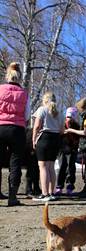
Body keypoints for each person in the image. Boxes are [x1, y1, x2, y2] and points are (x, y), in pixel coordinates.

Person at [0, 62, 29, 206]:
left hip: (0, 127)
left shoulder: (0, 89)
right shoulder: (24, 93)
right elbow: (28, 114)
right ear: (19, 77)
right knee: (15, 163)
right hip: (17, 130)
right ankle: (12, 196)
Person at [32, 92, 63, 201]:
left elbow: (36, 126)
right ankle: (51, 193)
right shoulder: (59, 113)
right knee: (51, 167)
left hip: (44, 138)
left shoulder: (42, 110)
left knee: (43, 167)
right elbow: (62, 130)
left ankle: (44, 194)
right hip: (55, 139)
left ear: (45, 100)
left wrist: (34, 139)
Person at [55, 107, 80, 196]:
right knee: (62, 168)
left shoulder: (76, 126)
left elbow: (77, 138)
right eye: (68, 117)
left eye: (70, 117)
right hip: (62, 149)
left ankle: (69, 186)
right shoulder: (61, 124)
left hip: (72, 150)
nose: (69, 119)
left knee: (70, 168)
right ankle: (59, 187)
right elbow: (58, 135)